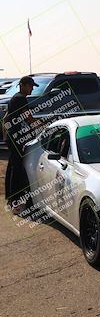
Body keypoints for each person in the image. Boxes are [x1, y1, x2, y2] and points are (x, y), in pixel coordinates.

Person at [3, 76, 39, 214]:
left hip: (13, 138)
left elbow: (6, 118)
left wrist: (7, 135)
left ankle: (11, 198)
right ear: (22, 85)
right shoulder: (20, 98)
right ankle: (15, 202)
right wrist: (42, 125)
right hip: (16, 138)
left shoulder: (15, 98)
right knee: (17, 168)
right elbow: (28, 118)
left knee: (13, 166)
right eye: (30, 86)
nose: (31, 89)